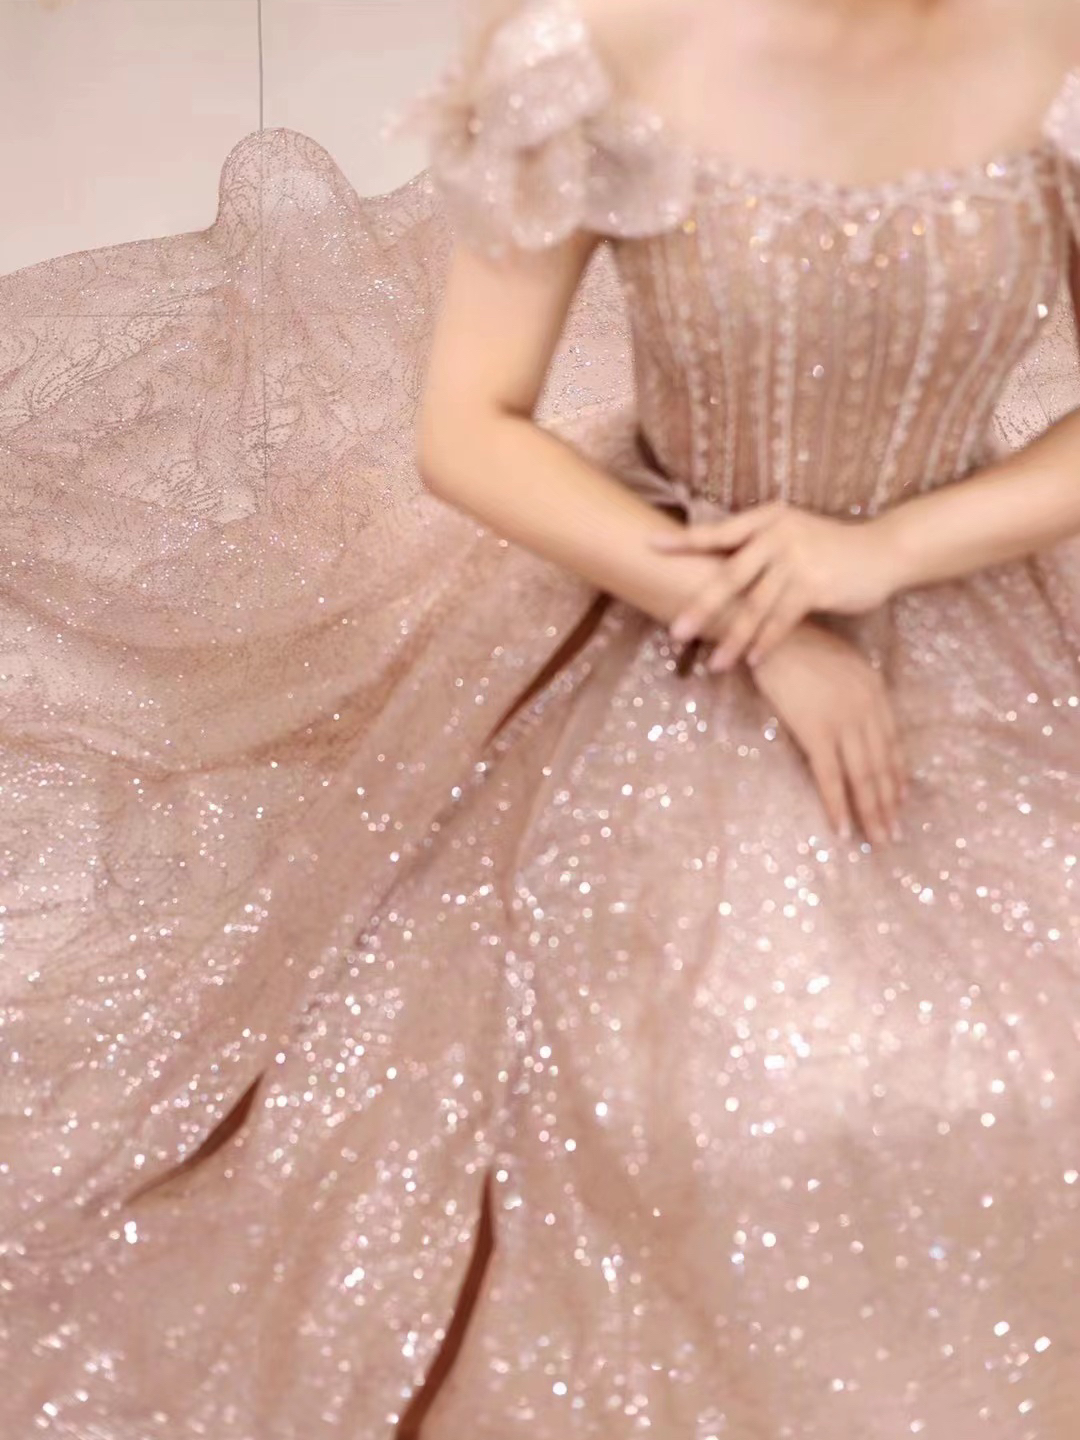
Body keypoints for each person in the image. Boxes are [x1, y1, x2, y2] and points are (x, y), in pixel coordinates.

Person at [2, 0, 1080, 1434]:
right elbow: (469, 428)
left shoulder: (1062, 53)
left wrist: (881, 553)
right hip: (667, 603)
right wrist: (758, 619)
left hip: (963, 600)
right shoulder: (603, 46)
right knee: (700, 1081)